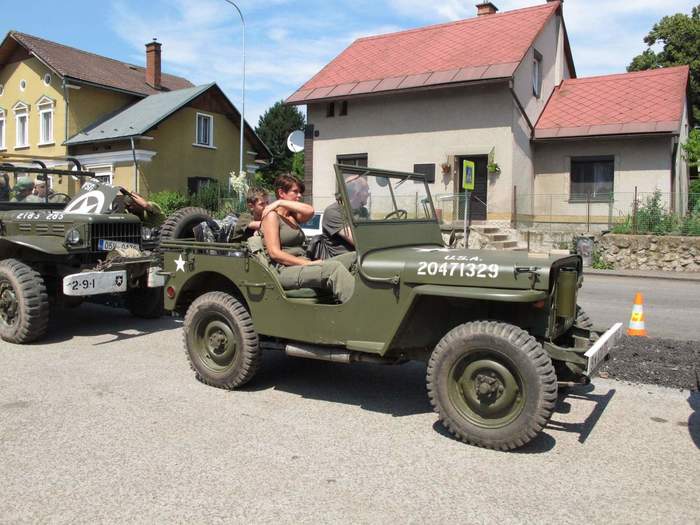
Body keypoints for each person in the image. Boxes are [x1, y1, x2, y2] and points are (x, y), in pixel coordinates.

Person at [261, 173, 355, 303]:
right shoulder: (271, 216)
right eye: (295, 191)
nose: (299, 195)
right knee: (334, 269)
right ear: (281, 192)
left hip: (302, 265)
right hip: (285, 270)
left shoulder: (293, 216)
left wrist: (280, 202)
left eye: (300, 192)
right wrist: (308, 264)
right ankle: (361, 310)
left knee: (356, 257)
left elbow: (310, 210)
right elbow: (274, 253)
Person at [321, 174, 370, 257]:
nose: (368, 194)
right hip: (343, 259)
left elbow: (371, 234)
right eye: (366, 190)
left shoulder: (363, 211)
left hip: (362, 255)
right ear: (357, 193)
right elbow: (359, 241)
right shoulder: (334, 211)